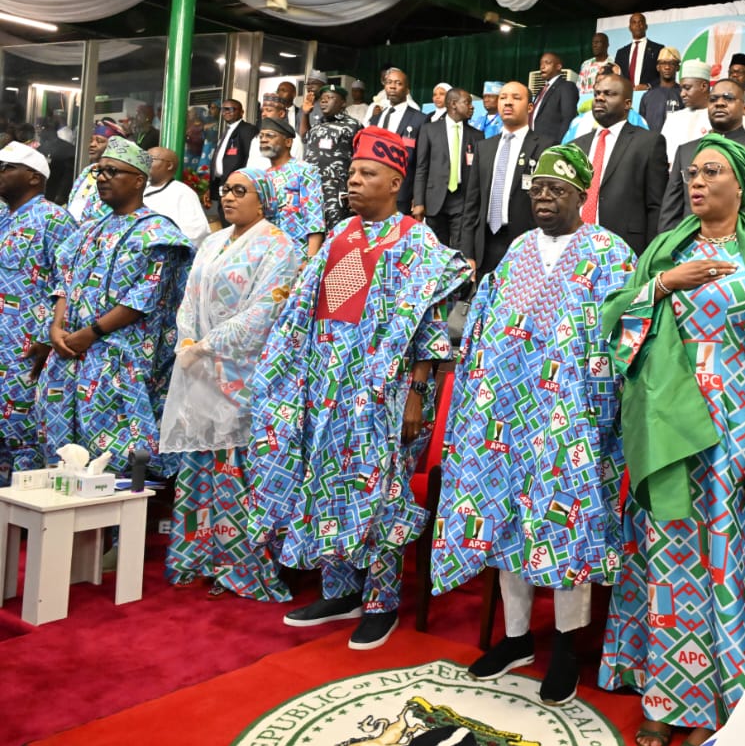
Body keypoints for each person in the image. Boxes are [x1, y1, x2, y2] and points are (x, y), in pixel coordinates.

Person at [599, 134, 745, 746]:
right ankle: (667, 696)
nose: (696, 182)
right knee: (670, 559)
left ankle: (726, 703)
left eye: (711, 172)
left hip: (736, 428)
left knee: (729, 561)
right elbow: (616, 322)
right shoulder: (666, 249)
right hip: (668, 423)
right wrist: (665, 283)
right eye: (691, 173)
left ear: (741, 185)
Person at [247, 127, 468, 650]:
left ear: (394, 182)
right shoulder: (341, 232)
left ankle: (381, 602)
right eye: (351, 173)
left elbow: (430, 329)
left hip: (385, 390)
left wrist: (415, 395)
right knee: (327, 481)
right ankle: (340, 591)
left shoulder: (417, 242)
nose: (353, 181)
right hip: (325, 383)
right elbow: (304, 310)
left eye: (367, 173)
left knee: (382, 490)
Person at [433, 143, 633, 705]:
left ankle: (567, 646)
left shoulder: (610, 254)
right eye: (537, 188)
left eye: (557, 190)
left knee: (565, 525)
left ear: (582, 196)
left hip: (572, 420)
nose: (544, 198)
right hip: (505, 415)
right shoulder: (517, 250)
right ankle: (517, 638)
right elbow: (483, 329)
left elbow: (625, 337)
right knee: (504, 521)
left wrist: (603, 415)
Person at [160, 167, 301, 600]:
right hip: (200, 369)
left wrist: (209, 344)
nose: (229, 197)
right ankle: (196, 556)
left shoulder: (280, 246)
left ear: (264, 200)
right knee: (198, 463)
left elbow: (265, 311)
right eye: (225, 190)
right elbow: (188, 299)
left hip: (245, 373)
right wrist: (188, 339)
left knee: (236, 469)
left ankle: (240, 566)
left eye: (241, 190)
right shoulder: (213, 241)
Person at [38, 138, 194, 473]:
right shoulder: (89, 230)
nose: (103, 178)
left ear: (138, 180)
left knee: (116, 458)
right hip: (71, 352)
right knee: (64, 457)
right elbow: (65, 281)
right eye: (99, 172)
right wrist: (57, 327)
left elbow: (143, 298)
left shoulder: (158, 232)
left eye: (113, 171)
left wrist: (91, 333)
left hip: (118, 361)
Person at [0, 142, 75, 483]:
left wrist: (49, 336)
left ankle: (22, 510)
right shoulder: (3, 217)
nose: (0, 174)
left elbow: (69, 282)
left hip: (27, 346)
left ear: (34, 177)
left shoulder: (54, 219)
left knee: (22, 432)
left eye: (6, 168)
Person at [662, 77, 745, 238]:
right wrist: (669, 249)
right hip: (691, 248)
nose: (719, 103)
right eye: (713, 99)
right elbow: (670, 214)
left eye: (728, 98)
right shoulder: (686, 151)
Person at [461, 82, 556, 279]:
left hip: (526, 246)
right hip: (484, 245)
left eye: (516, 98)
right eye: (503, 98)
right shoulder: (484, 148)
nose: (508, 102)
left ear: (530, 107)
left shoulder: (546, 147)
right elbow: (472, 204)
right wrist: (467, 253)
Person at [566, 74, 667, 256]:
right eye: (597, 94)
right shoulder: (576, 146)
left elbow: (656, 205)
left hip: (626, 249)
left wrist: (651, 255)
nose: (599, 98)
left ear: (627, 103)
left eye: (609, 94)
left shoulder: (649, 143)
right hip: (576, 246)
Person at [413, 87, 482, 249]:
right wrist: (419, 202)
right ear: (453, 104)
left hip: (462, 200)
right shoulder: (429, 130)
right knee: (436, 249)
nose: (472, 107)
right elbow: (421, 168)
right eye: (467, 102)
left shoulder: (477, 135)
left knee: (460, 249)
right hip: (434, 200)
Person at [254, 118, 324, 257]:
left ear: (288, 142)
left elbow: (315, 219)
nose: (263, 140)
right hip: (268, 254)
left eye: (270, 136)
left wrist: (310, 259)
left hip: (298, 254)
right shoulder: (263, 177)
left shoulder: (304, 170)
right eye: (261, 136)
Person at [368, 69, 432, 217]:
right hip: (375, 190)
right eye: (389, 82)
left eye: (398, 83)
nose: (392, 86)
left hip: (403, 193)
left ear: (407, 90)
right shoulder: (375, 119)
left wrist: (418, 199)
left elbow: (422, 162)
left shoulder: (420, 119)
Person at [301, 84, 362, 231]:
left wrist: (354, 190)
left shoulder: (353, 125)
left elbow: (360, 159)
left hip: (337, 191)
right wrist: (305, 114)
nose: (324, 101)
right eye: (322, 98)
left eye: (330, 98)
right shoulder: (317, 125)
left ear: (343, 103)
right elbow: (304, 137)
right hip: (313, 190)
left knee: (336, 232)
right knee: (312, 230)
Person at [142, 147, 209, 246]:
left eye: (150, 159)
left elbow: (197, 232)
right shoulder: (140, 187)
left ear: (169, 165)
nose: (145, 163)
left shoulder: (183, 192)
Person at [66, 119, 127, 221]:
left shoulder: (118, 176)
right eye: (91, 140)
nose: (92, 144)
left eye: (99, 141)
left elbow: (109, 209)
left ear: (114, 146)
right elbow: (79, 198)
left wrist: (87, 225)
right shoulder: (90, 170)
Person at [659, 60, 713, 166]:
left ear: (704, 86)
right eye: (681, 89)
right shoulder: (674, 118)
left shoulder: (718, 118)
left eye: (687, 88)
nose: (682, 94)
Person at [530, 53, 578, 144]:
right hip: (533, 143)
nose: (542, 67)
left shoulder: (566, 86)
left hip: (551, 145)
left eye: (547, 63)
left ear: (558, 66)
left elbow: (568, 118)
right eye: (541, 64)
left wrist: (558, 146)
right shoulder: (541, 90)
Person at [638, 47, 683, 133]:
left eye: (672, 63)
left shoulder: (684, 94)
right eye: (663, 63)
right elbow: (641, 127)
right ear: (658, 67)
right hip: (651, 141)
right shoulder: (647, 96)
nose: (667, 67)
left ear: (678, 67)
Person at [616, 12, 662, 89]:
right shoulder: (621, 53)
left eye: (640, 22)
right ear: (630, 28)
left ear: (646, 26)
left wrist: (648, 86)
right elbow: (616, 76)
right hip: (626, 94)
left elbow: (664, 75)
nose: (637, 25)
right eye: (634, 22)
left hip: (650, 93)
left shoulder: (658, 49)